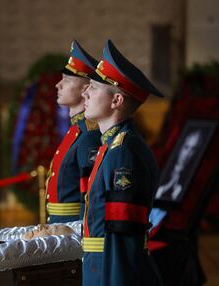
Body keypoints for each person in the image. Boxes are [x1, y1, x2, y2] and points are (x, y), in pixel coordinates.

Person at [81, 39, 163, 285]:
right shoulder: (111, 146)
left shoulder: (123, 153)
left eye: (94, 88)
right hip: (98, 267)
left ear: (116, 101)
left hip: (110, 273)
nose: (85, 92)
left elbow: (123, 236)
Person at [45, 40, 101, 223]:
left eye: (67, 81)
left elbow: (91, 196)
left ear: (85, 90)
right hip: (60, 224)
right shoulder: (76, 131)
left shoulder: (89, 135)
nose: (58, 85)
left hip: (72, 227)